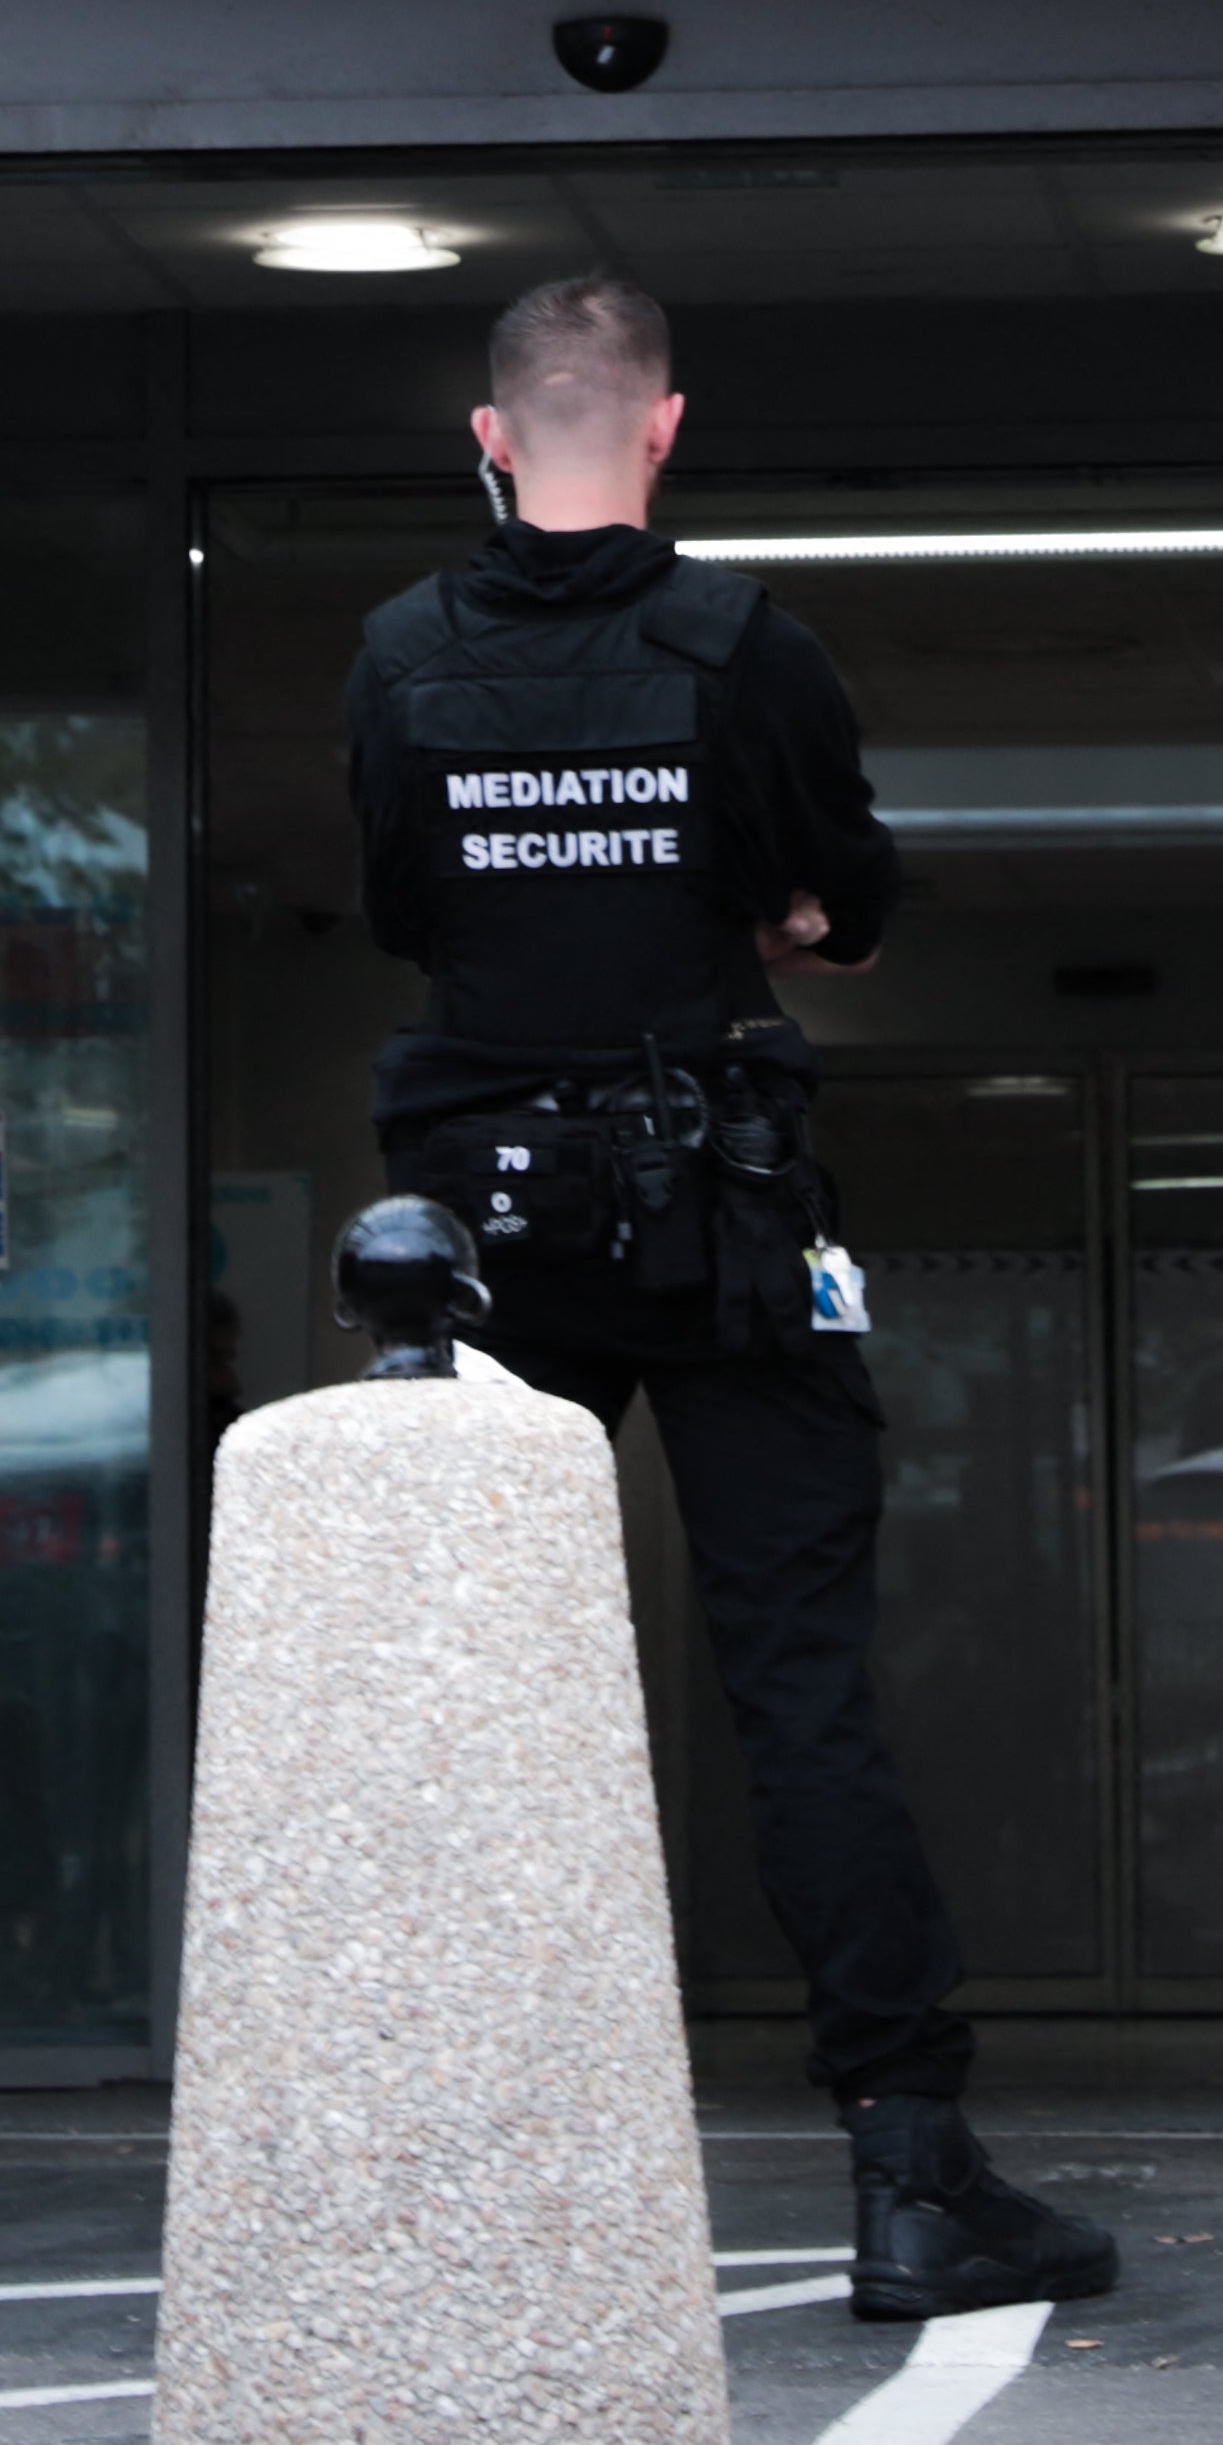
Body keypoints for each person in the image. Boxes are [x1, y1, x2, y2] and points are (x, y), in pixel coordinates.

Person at [343, 273, 1118, 2323]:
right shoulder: (743, 647)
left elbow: (412, 906)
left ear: (495, 431)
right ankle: (910, 2168)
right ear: (665, 426)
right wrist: (746, 901)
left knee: (454, 1700)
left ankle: (411, 2173)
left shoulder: (403, 655)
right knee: (800, 1688)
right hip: (723, 1218)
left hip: (488, 1236)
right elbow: (841, 900)